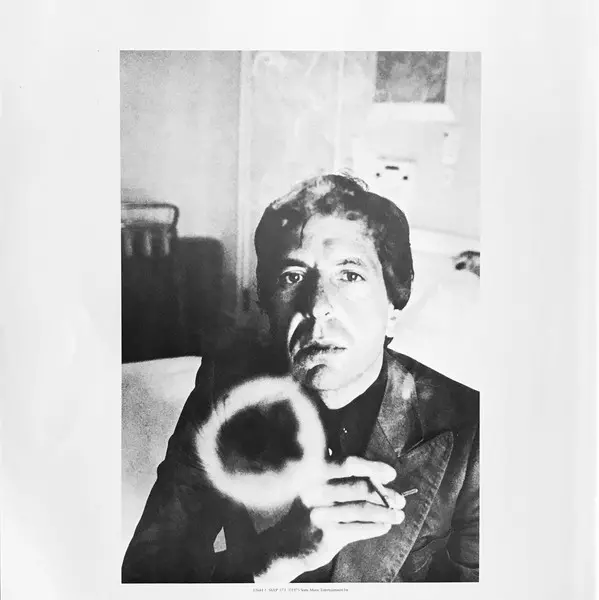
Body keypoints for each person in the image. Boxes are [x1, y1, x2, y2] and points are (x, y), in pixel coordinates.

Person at [121, 174, 479, 583]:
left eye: (350, 275)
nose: (318, 305)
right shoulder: (226, 391)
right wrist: (275, 558)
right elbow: (146, 576)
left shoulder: (473, 433)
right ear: (270, 307)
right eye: (293, 276)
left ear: (393, 308)